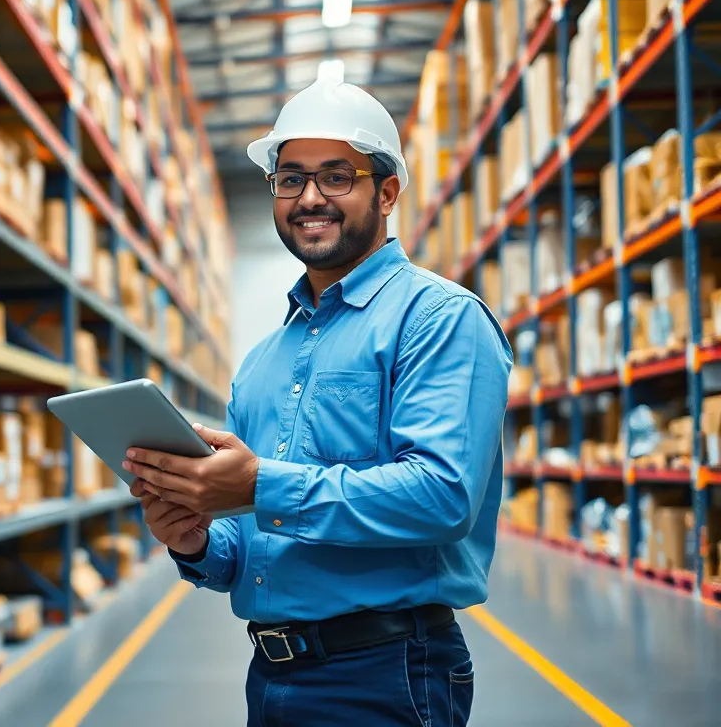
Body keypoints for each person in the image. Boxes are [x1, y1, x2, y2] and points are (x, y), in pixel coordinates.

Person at [122, 78, 513, 727]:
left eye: (337, 177)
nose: (309, 198)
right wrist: (193, 540)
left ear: (386, 192)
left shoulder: (440, 320)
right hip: (271, 678)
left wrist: (257, 486)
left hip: (387, 674)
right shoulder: (261, 363)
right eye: (290, 177)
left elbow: (444, 494)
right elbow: (246, 555)